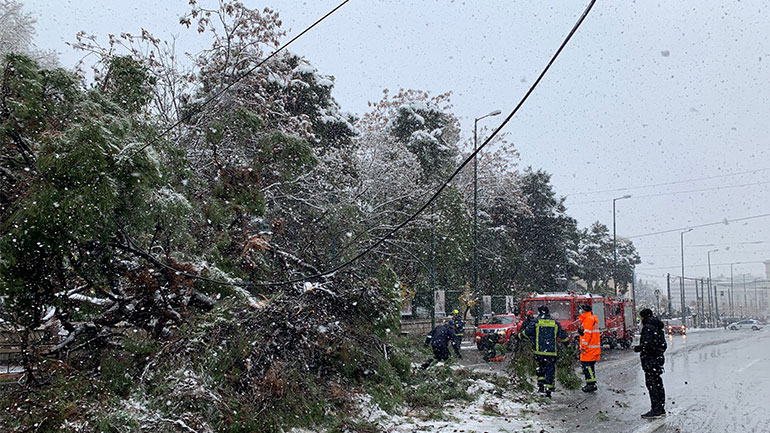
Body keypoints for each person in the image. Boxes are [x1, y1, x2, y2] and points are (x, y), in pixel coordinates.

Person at [520, 305, 569, 398]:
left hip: (539, 351)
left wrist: (519, 336)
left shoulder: (536, 321)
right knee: (550, 369)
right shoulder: (555, 323)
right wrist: (568, 345)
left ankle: (541, 386)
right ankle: (549, 389)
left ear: (539, 312)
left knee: (541, 368)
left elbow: (527, 332)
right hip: (551, 352)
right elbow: (563, 335)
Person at [633, 308, 668, 419]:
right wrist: (658, 353)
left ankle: (655, 409)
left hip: (649, 361)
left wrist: (638, 348)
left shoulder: (647, 328)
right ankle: (661, 408)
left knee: (652, 384)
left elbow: (647, 345)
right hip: (658, 360)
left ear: (644, 317)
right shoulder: (658, 328)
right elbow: (663, 345)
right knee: (658, 383)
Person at [577, 304, 601, 392]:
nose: (580, 311)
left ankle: (591, 384)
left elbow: (587, 335)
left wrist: (583, 346)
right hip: (592, 348)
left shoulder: (588, 320)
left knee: (587, 367)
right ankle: (590, 383)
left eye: (581, 309)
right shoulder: (590, 319)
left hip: (588, 349)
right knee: (589, 366)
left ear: (584, 310)